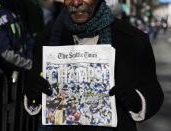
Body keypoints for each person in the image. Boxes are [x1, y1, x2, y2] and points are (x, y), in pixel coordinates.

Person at [28, 0, 164, 131]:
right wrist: (33, 94)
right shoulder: (47, 39)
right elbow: (34, 94)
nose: (76, 3)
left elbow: (152, 92)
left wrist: (136, 100)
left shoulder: (132, 40)